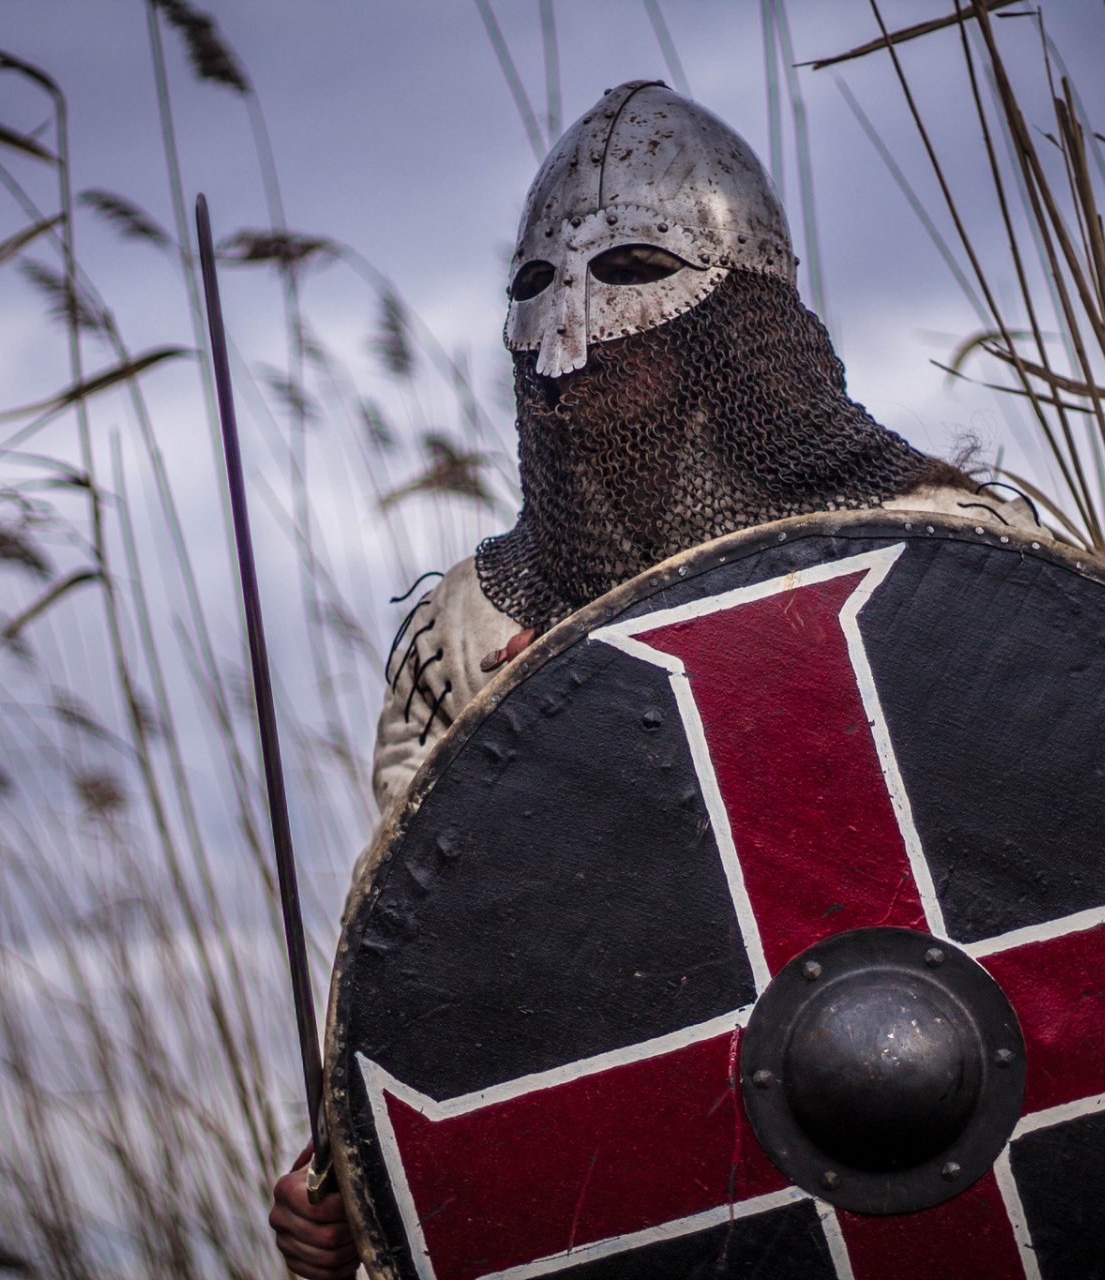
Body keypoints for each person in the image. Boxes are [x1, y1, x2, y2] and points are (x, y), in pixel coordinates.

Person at [269, 80, 1041, 1280]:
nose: (575, 330)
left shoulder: (942, 556)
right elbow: (437, 956)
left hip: (941, 1140)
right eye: (537, 287)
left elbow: (1070, 842)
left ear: (736, 320)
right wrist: (361, 1177)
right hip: (654, 1191)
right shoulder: (474, 631)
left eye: (629, 268)